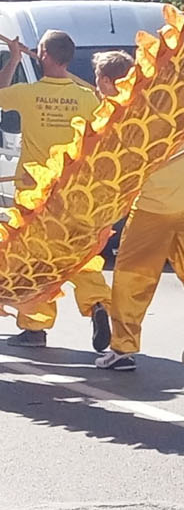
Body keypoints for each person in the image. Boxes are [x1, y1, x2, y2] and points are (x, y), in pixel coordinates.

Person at [89, 52, 184, 371]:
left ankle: (123, 348)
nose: (97, 87)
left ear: (107, 81)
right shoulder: (166, 100)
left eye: (98, 81)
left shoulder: (118, 117)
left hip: (153, 208)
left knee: (131, 278)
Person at [0, 29, 112, 351]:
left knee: (36, 259)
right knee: (78, 251)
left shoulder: (29, 93)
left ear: (45, 56)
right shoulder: (86, 97)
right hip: (73, 190)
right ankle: (97, 302)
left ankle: (35, 326)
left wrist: (14, 59)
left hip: (34, 191)